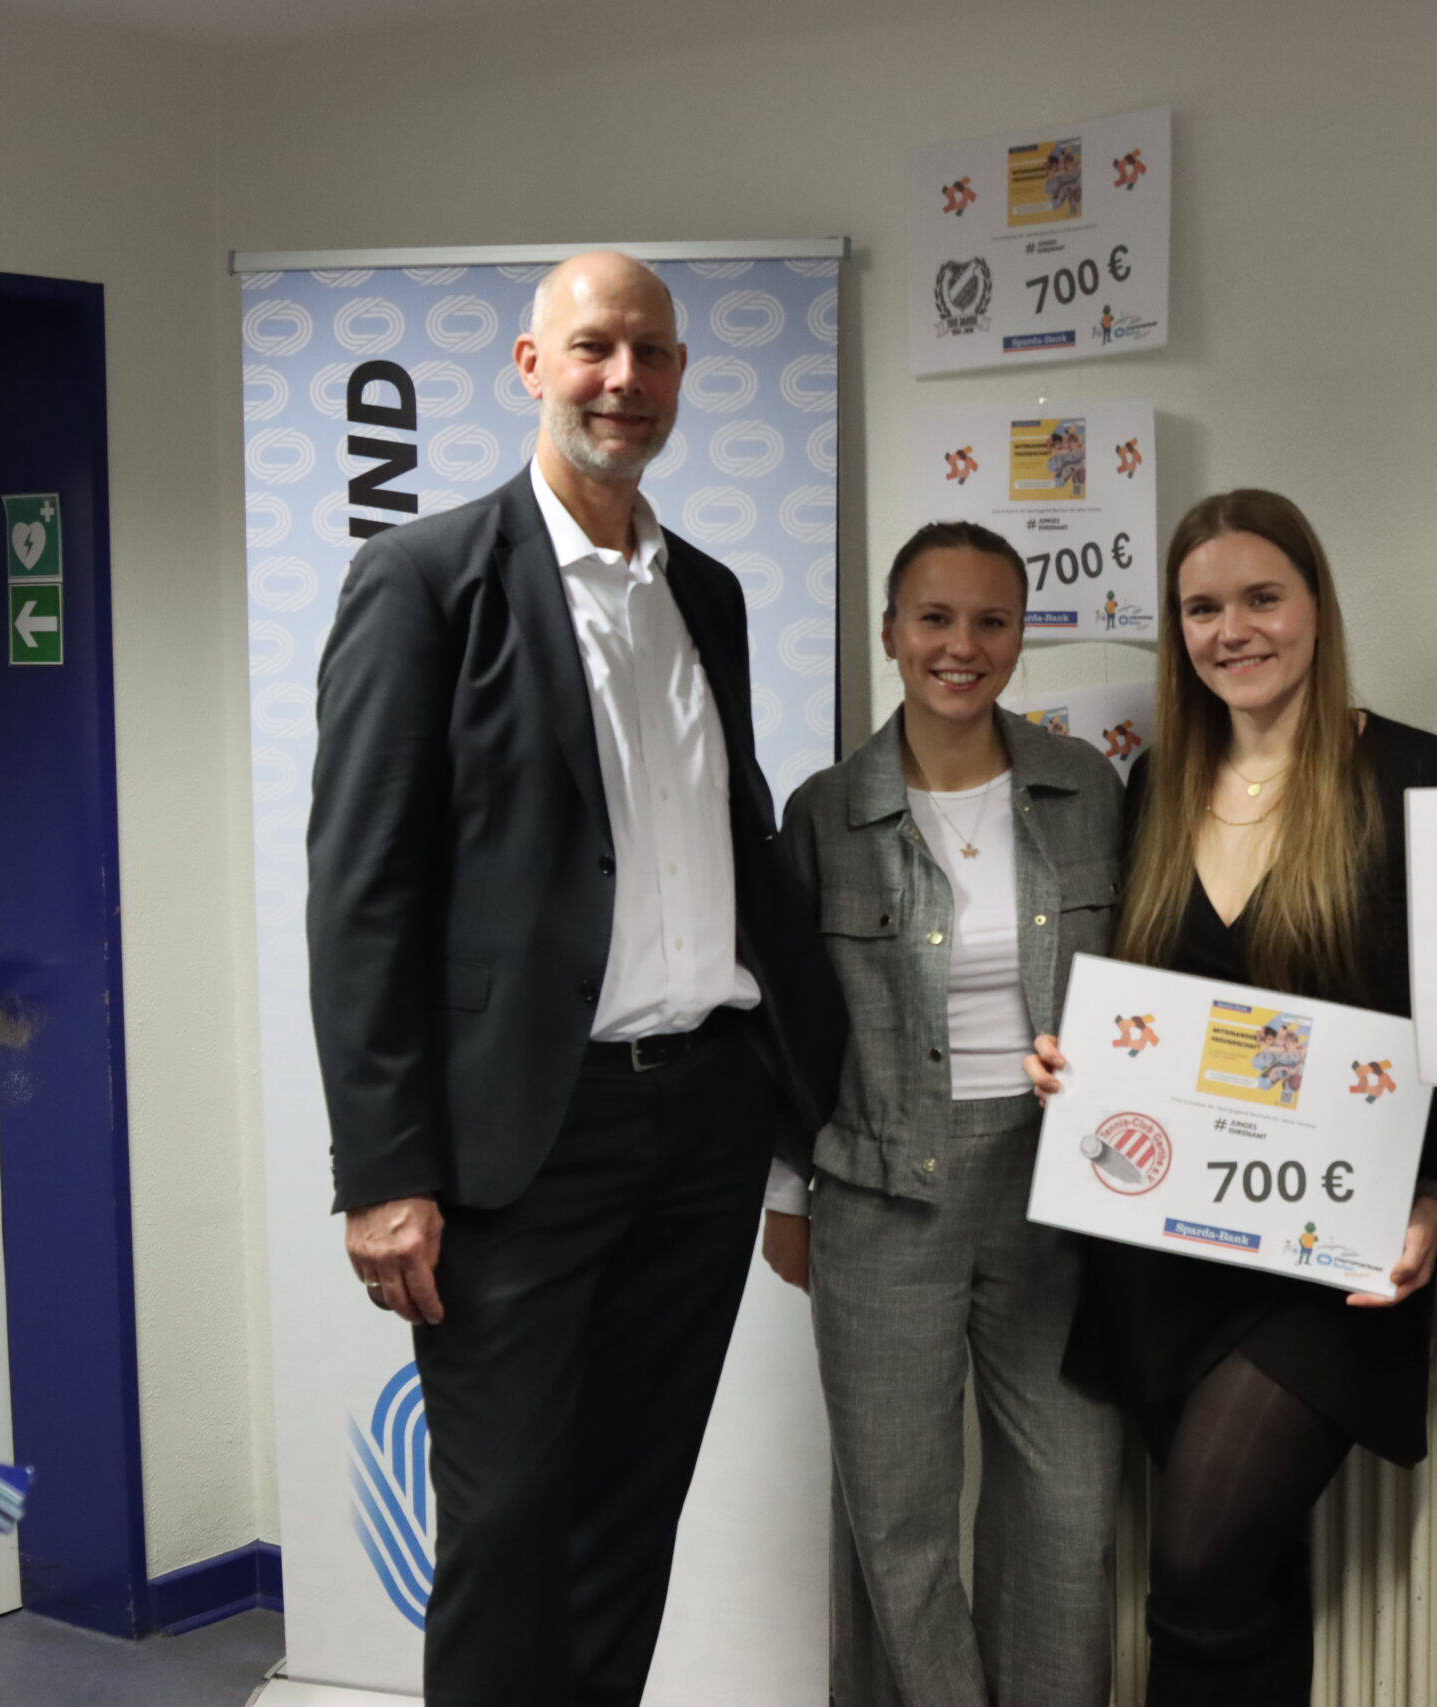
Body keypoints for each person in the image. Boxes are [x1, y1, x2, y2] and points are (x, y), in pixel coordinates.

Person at [309, 250, 837, 1707]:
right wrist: (383, 1169)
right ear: (532, 364)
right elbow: (362, 895)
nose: (625, 378)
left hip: (703, 1123)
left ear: (680, 375)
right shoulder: (424, 581)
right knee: (504, 1521)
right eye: (596, 346)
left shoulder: (707, 592)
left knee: (626, 1510)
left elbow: (721, 832)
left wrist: (788, 1102)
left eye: (652, 352)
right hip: (519, 1145)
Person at [1025, 489, 1437, 1705]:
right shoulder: (1153, 787)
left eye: (1261, 597)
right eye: (1201, 609)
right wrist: (1073, 1069)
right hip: (1163, 1252)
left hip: (1328, 1263)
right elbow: (1137, 1013)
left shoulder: (1413, 775)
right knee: (1251, 1590)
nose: (1232, 631)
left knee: (1196, 1577)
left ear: (1316, 605)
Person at [761, 521, 1123, 1707]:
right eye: (933, 618)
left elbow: (1142, 983)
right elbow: (789, 1026)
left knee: (1068, 1507)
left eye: (989, 621)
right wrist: (785, 1195)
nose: (960, 646)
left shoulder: (1087, 790)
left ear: (1019, 636)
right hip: (877, 1195)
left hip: (1056, 1190)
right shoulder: (824, 813)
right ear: (889, 633)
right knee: (896, 1520)